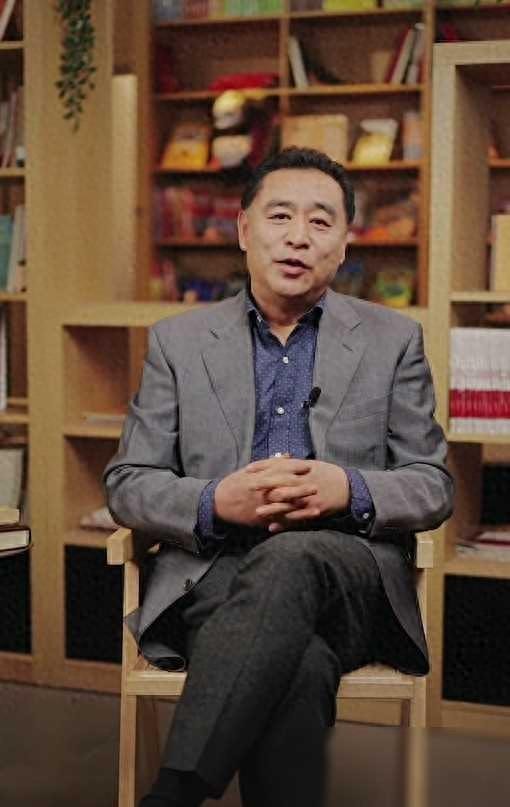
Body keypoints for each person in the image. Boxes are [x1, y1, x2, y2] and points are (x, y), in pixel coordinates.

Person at [104, 147, 453, 807]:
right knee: (300, 666)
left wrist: (347, 489)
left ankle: (174, 793)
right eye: (280, 216)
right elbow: (128, 482)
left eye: (320, 221)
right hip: (217, 575)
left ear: (345, 243)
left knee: (293, 556)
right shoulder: (179, 342)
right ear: (244, 230)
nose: (298, 237)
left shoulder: (393, 340)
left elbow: (433, 484)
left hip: (347, 578)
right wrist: (216, 501)